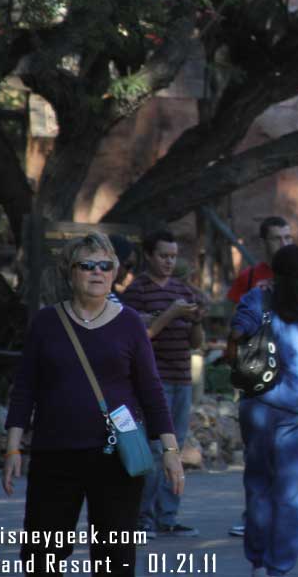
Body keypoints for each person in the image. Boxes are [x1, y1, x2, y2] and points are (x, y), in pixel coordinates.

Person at [3, 232, 183, 576]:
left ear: (115, 272)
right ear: (69, 272)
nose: (97, 272)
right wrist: (13, 448)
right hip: (55, 454)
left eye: (105, 265)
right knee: (41, 559)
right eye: (87, 265)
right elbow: (25, 388)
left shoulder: (129, 322)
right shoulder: (45, 323)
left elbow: (151, 390)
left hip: (116, 456)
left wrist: (171, 451)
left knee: (115, 561)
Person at [228, 245, 298, 577]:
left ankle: (257, 561)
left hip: (256, 406)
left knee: (257, 483)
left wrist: (238, 361)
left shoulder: (257, 300)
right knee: (289, 493)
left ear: (272, 271)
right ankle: (279, 567)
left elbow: (235, 333)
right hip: (295, 413)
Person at [121, 229, 203, 538]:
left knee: (175, 449)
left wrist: (195, 321)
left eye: (173, 256)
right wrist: (170, 313)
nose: (169, 262)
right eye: (163, 256)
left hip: (182, 378)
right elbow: (142, 335)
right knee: (155, 451)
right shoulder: (137, 291)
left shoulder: (185, 290)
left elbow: (196, 342)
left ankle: (168, 516)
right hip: (152, 383)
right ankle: (142, 517)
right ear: (149, 256)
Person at [227, 216, 298, 303]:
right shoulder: (247, 277)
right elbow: (235, 318)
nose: (284, 244)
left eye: (287, 238)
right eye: (276, 239)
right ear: (263, 242)